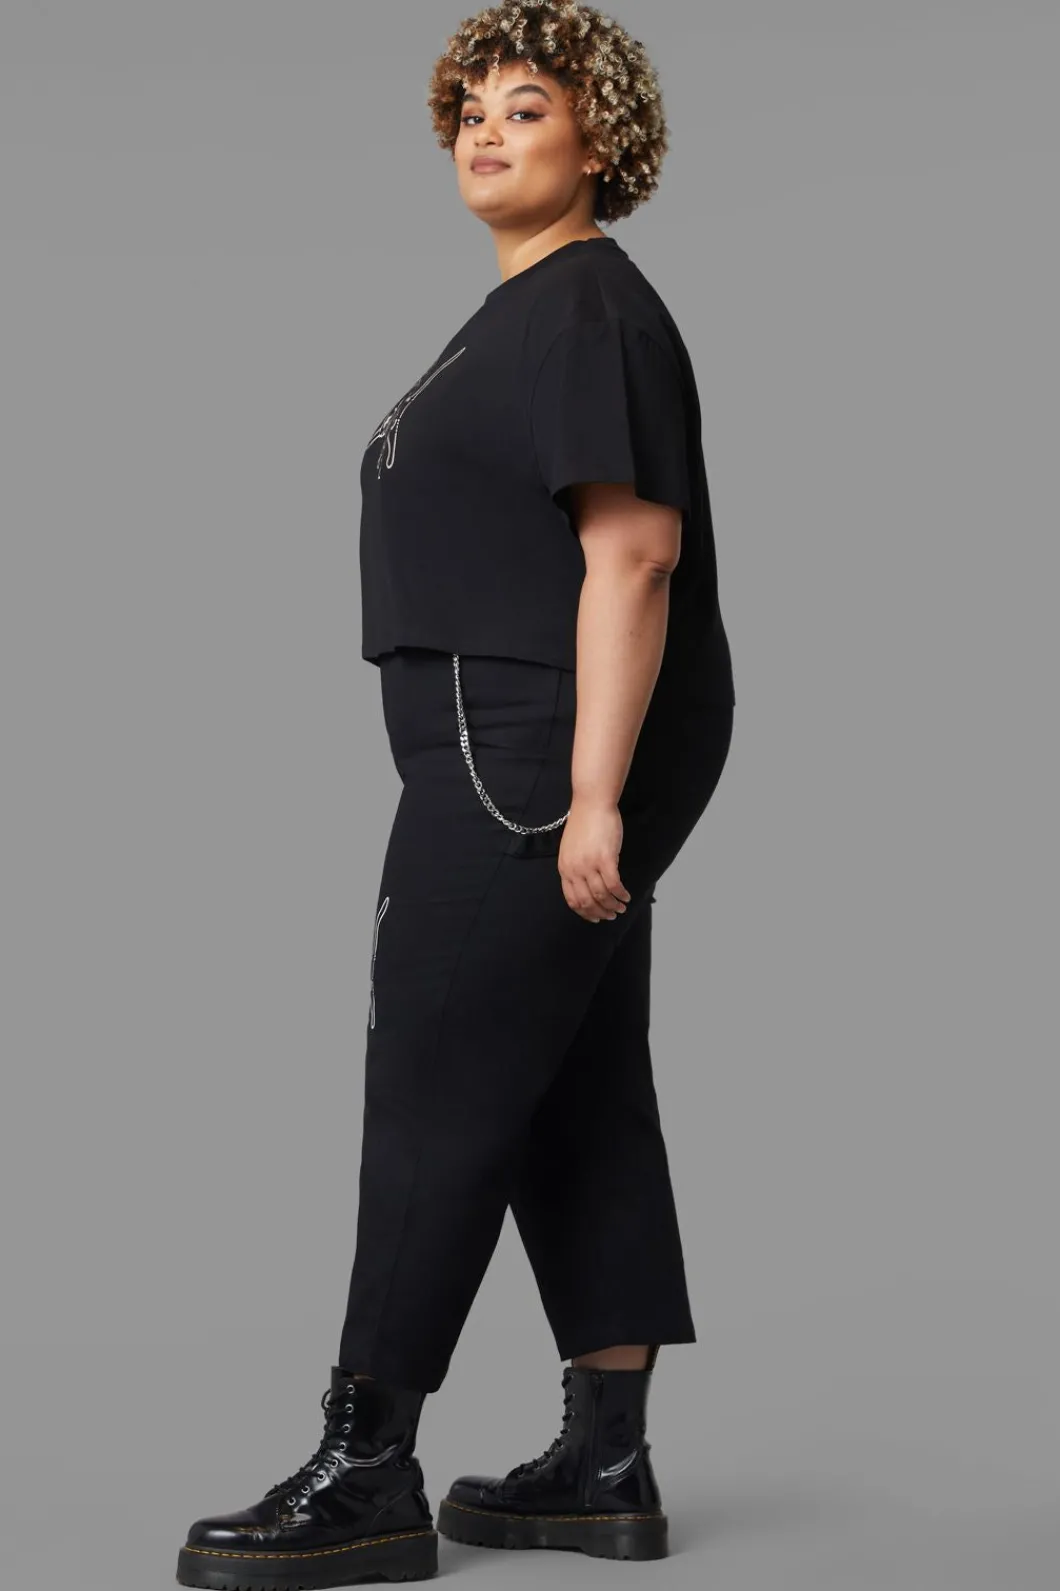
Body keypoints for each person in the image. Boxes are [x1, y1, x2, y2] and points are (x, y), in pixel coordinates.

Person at [176, 5, 735, 1586]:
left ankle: (366, 1463)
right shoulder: (526, 312)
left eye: (527, 105)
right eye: (470, 109)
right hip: (518, 736)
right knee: (568, 1079)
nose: (487, 129)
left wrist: (595, 794)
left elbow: (635, 553)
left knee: (434, 1073)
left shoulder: (586, 307)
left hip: (529, 746)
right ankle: (603, 1463)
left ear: (599, 139)